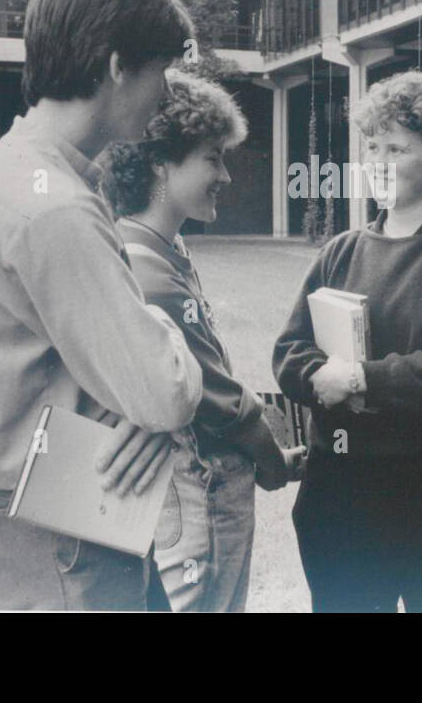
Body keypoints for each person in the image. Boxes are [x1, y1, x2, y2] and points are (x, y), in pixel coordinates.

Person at [0, 0, 203, 611]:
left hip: (55, 513)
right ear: (117, 66)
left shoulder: (14, 172)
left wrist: (140, 399)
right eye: (162, 70)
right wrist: (166, 329)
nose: (168, 93)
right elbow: (166, 393)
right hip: (60, 533)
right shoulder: (54, 203)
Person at [273, 70, 422, 613]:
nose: (378, 159)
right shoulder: (340, 251)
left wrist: (359, 379)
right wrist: (317, 376)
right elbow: (289, 350)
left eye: (397, 147)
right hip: (341, 494)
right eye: (372, 145)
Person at [102, 69, 305, 612]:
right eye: (214, 157)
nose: (227, 176)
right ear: (160, 163)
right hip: (202, 498)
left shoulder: (151, 246)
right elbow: (225, 408)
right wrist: (275, 464)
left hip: (176, 496)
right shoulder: (151, 273)